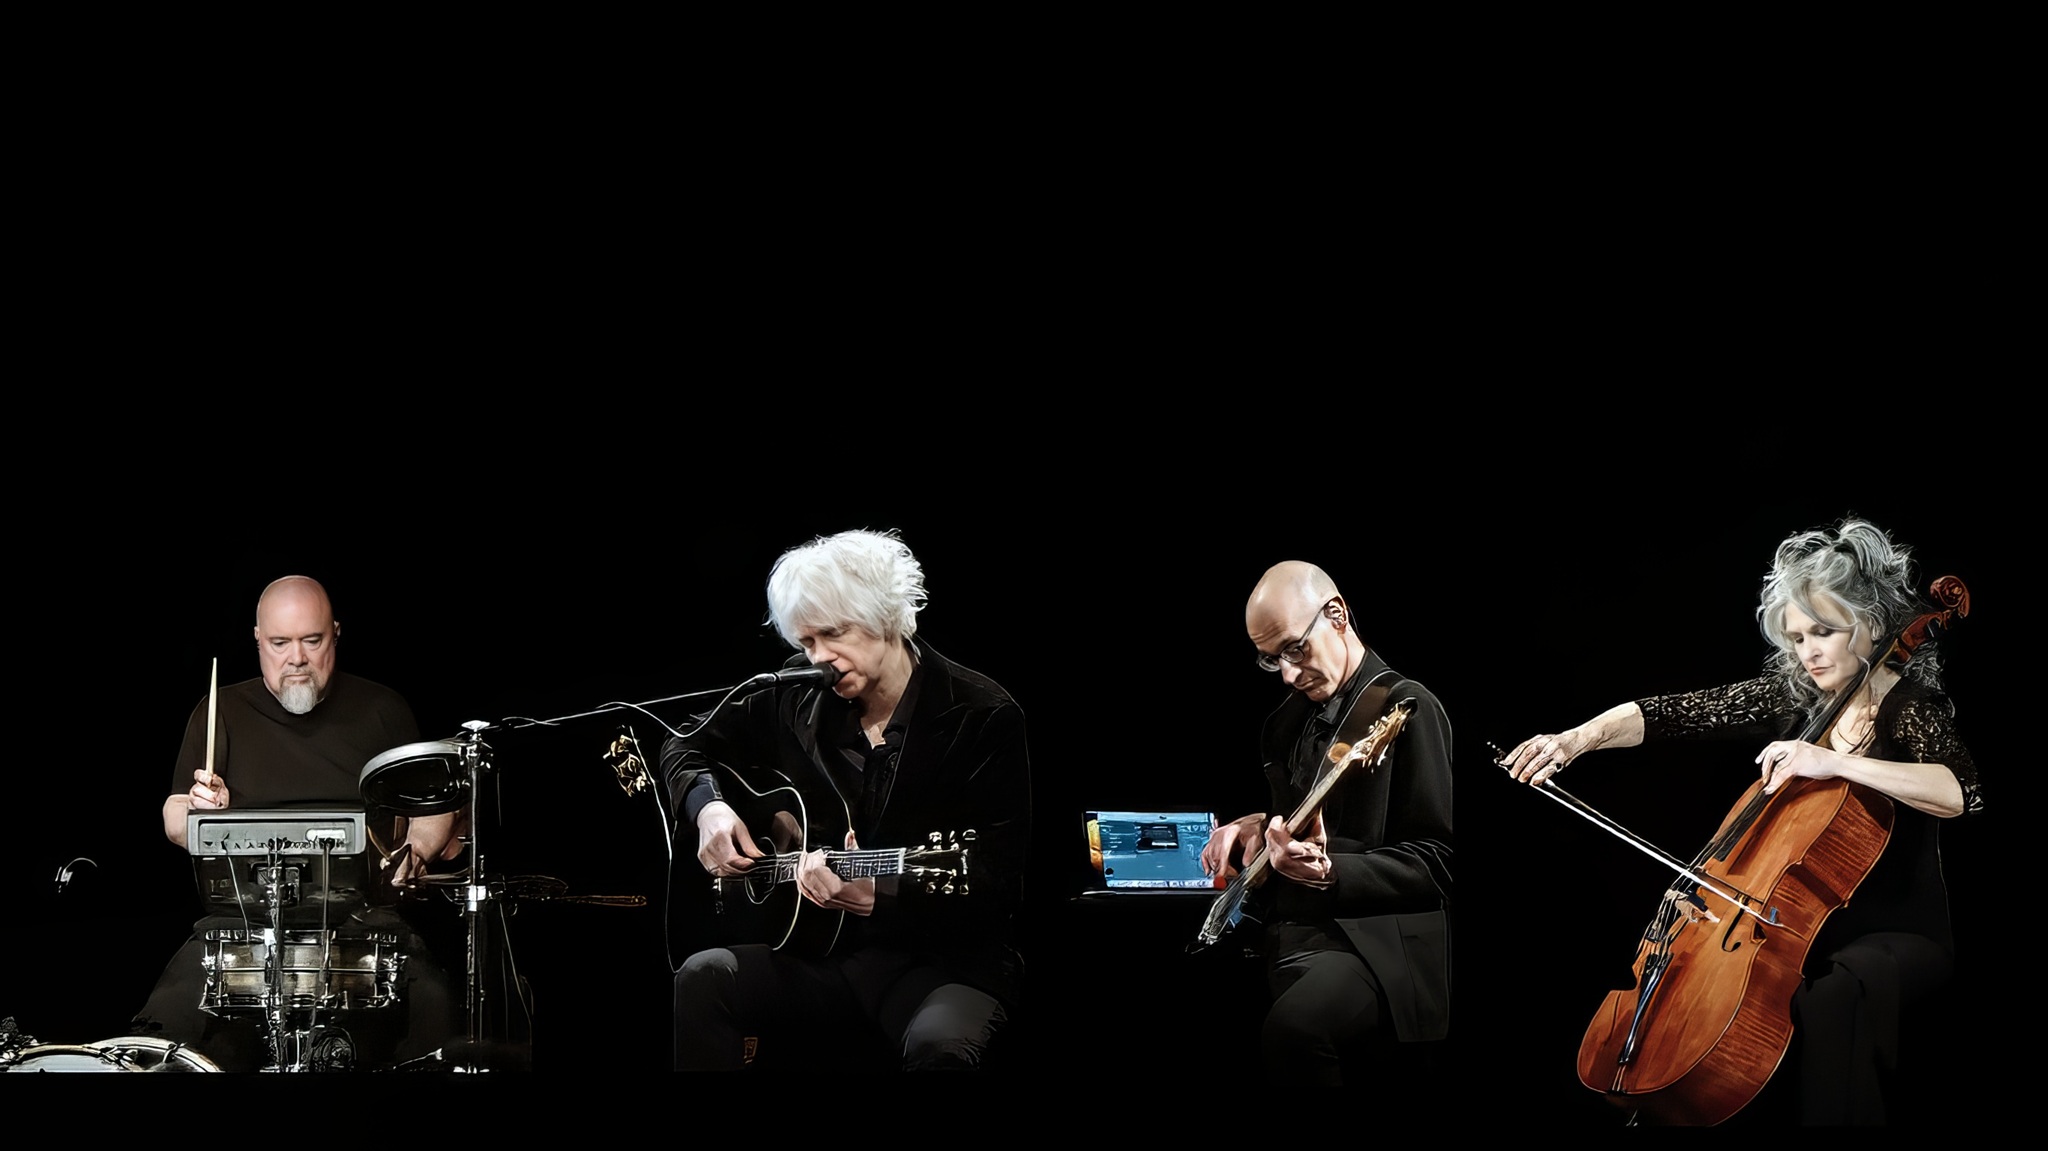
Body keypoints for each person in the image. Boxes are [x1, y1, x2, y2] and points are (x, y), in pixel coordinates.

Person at [1501, 517, 1980, 1125]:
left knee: (1833, 994)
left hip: (1889, 932)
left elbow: (1961, 792)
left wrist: (1833, 761)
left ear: (1871, 624)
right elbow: (1672, 713)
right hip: (1784, 927)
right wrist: (1575, 739)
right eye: (1797, 637)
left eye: (1824, 632)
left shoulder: (1909, 708)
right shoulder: (1798, 700)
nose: (1808, 652)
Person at [662, 529, 1030, 1071]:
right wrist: (707, 808)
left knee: (941, 1048)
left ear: (885, 615)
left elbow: (998, 883)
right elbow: (685, 744)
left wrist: (882, 898)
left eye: (833, 634)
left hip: (941, 965)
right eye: (806, 642)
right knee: (704, 976)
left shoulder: (981, 715)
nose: (820, 660)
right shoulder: (797, 692)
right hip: (822, 955)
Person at [133, 575, 461, 1070]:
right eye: (280, 643)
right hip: (241, 927)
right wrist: (201, 812)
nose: (297, 658)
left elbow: (435, 806)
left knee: (437, 1019)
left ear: (335, 634)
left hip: (366, 922)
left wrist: (416, 849)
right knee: (159, 1036)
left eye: (312, 640)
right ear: (258, 640)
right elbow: (174, 814)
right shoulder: (221, 711)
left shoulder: (382, 709)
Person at [1200, 561, 1452, 1085]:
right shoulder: (1288, 722)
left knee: (1295, 1033)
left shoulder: (1408, 707)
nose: (1288, 675)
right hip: (1284, 930)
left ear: (1337, 615)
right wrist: (1253, 827)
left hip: (1372, 945)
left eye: (1295, 648)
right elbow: (1294, 822)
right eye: (1272, 659)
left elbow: (1435, 865)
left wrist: (1331, 872)